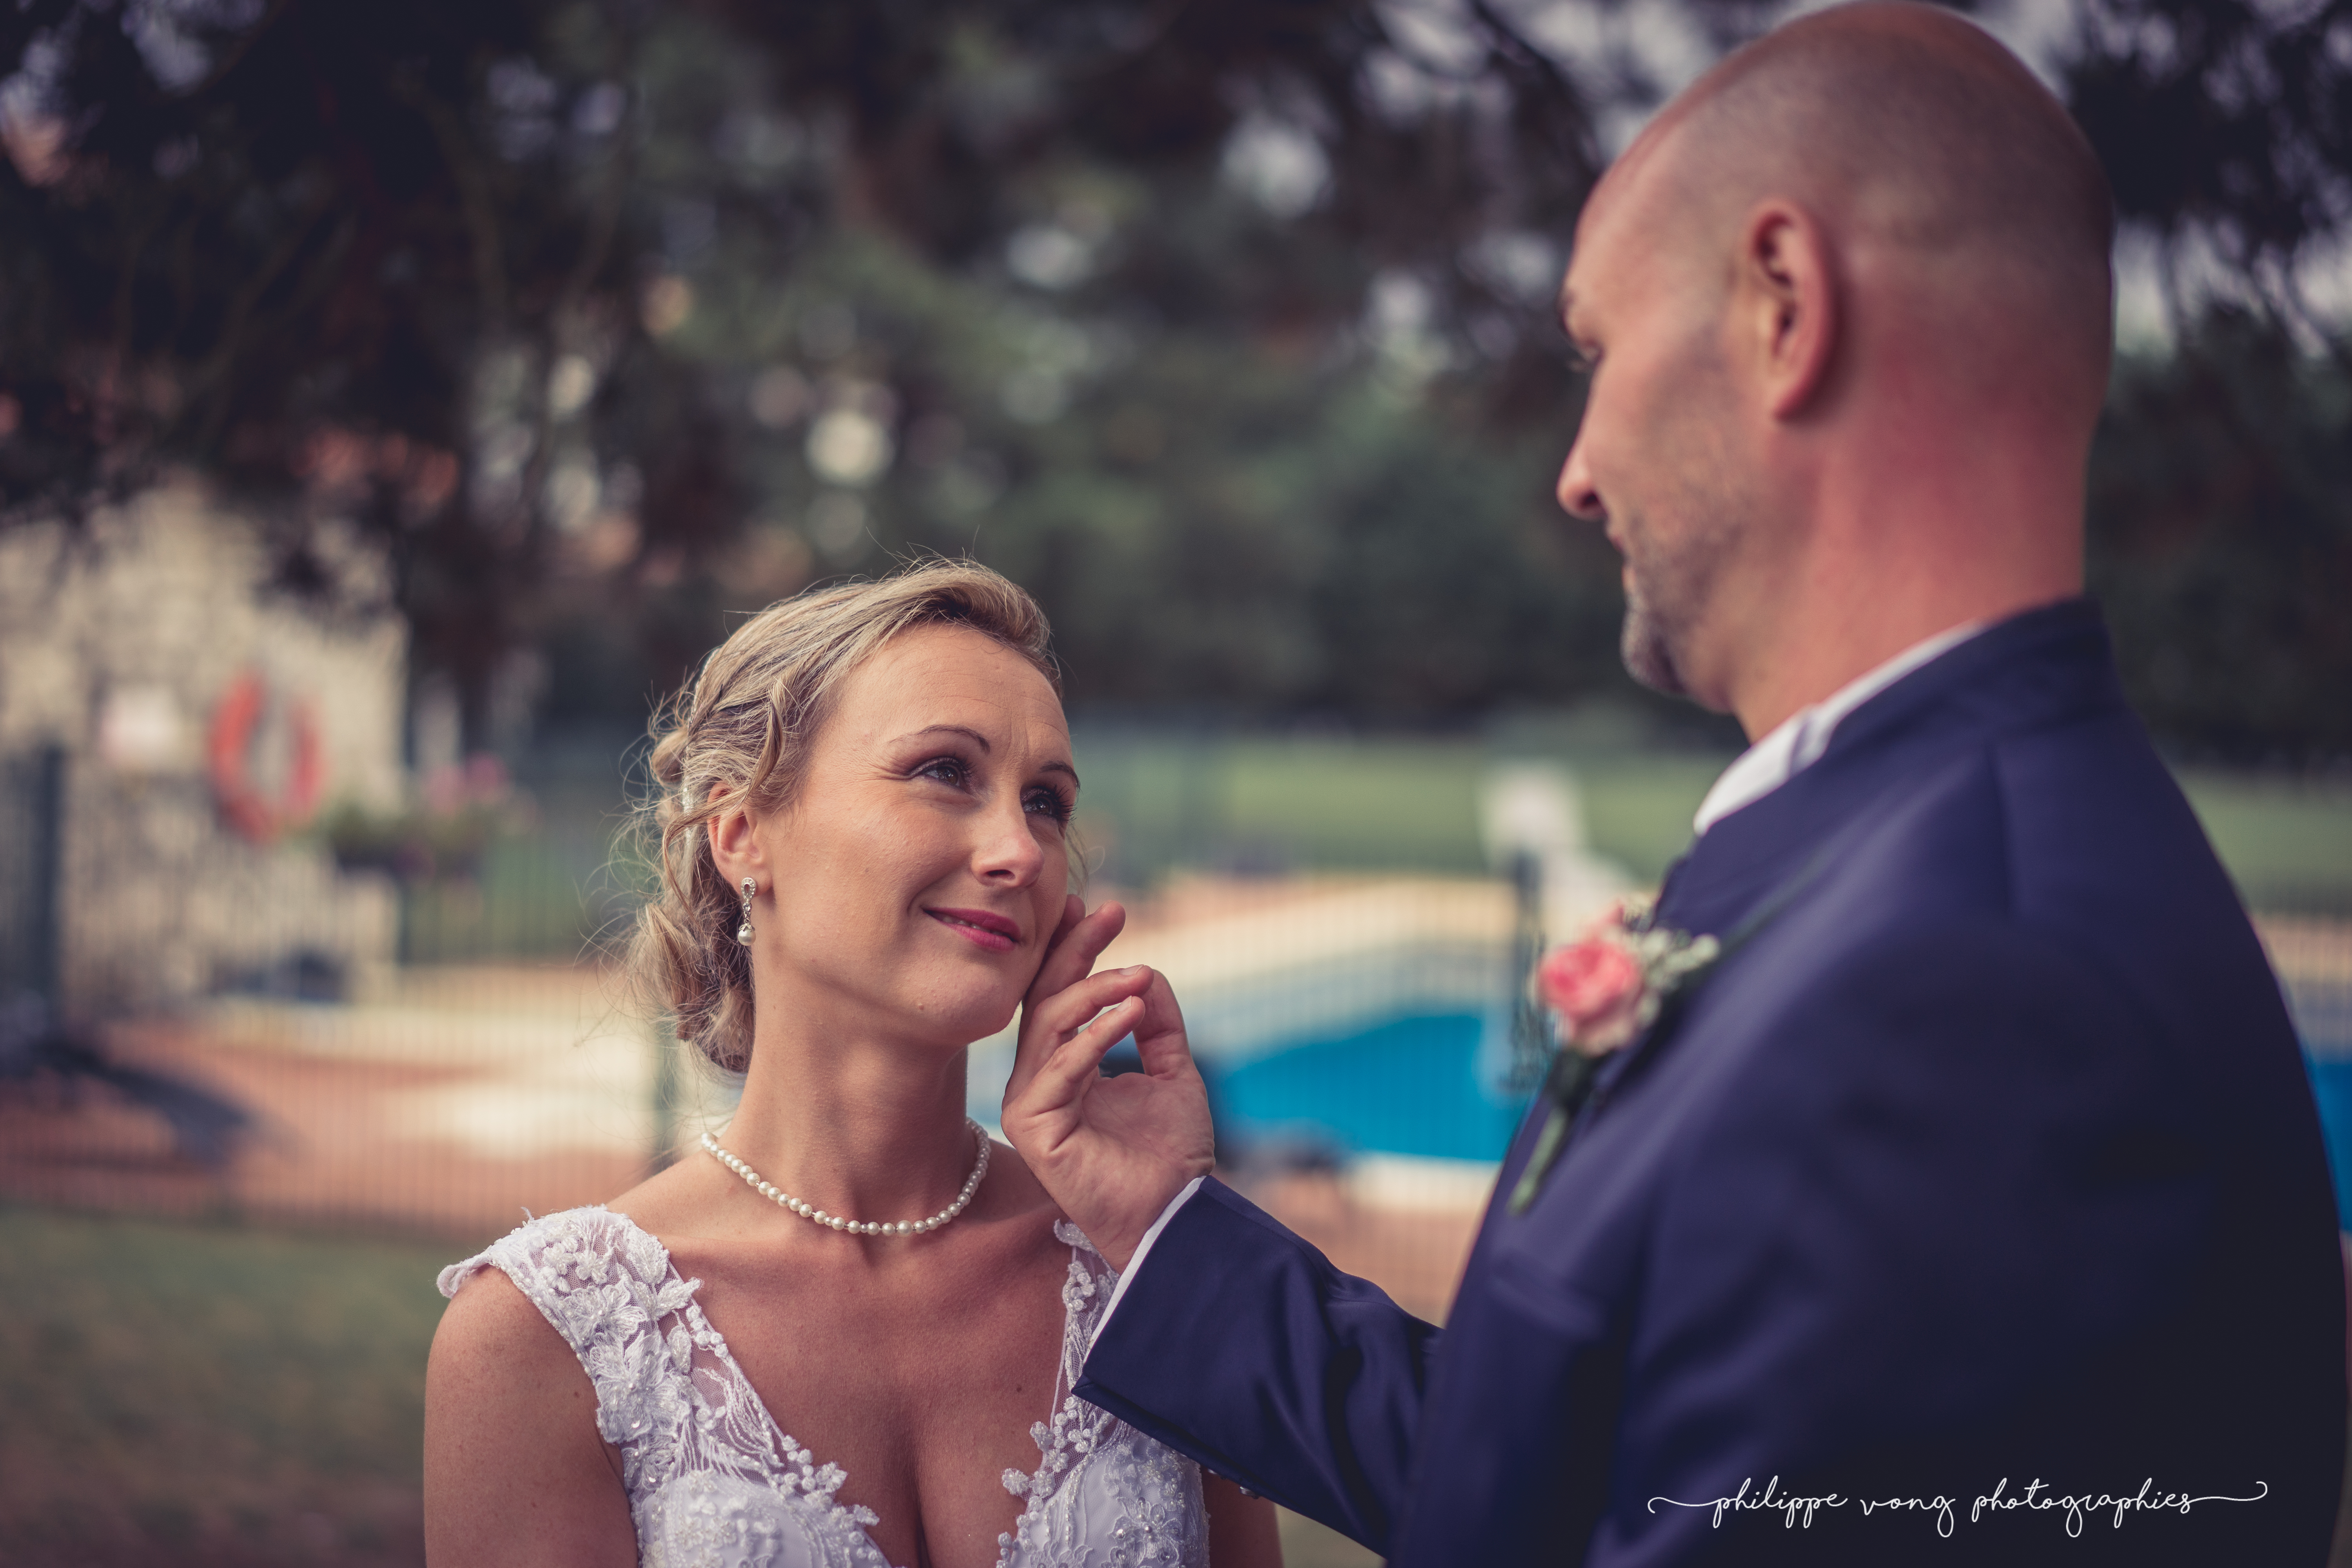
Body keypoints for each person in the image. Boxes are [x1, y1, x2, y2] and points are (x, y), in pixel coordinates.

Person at [1000, 6, 2347, 1564]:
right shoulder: (1891, 866)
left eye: (1598, 350)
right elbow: (1586, 1485)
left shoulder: (1975, 984)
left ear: (1784, 304)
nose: (1574, 468)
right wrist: (1165, 1231)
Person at [423, 561, 1280, 1568]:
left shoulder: (1145, 1273)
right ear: (742, 833)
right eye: (944, 771)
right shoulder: (551, 1338)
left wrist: (1180, 1240)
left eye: (1046, 800)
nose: (1019, 849)